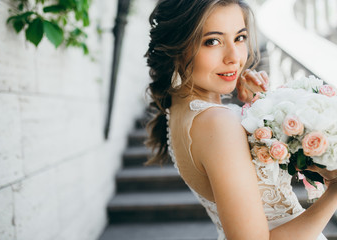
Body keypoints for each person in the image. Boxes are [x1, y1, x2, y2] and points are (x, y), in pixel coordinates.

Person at [144, 0, 337, 239]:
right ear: (177, 45)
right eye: (212, 41)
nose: (234, 57)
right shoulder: (218, 122)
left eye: (240, 37)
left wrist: (256, 105)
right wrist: (334, 194)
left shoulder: (179, 108)